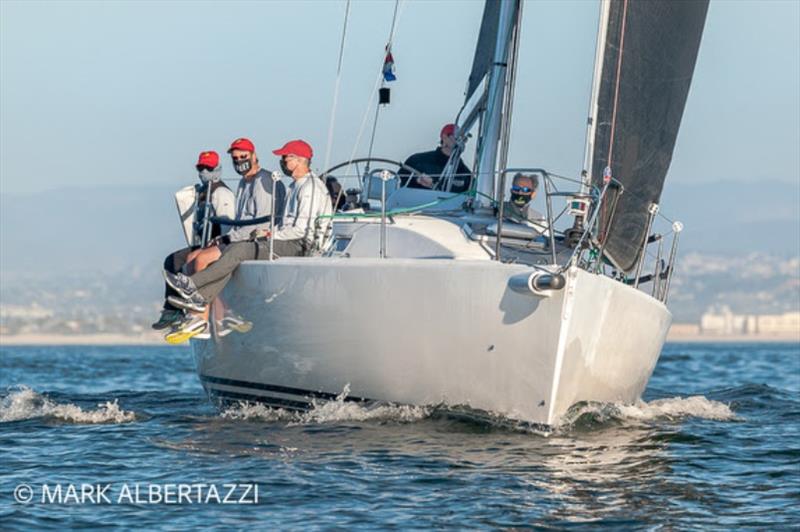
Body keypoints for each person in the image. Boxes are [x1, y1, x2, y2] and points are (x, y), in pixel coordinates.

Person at [163, 139, 331, 342]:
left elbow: (300, 230)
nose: (282, 161)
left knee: (237, 251)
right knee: (225, 253)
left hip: (299, 245)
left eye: (286, 157)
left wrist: (269, 234)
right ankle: (203, 306)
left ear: (300, 160)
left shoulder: (309, 188)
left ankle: (193, 289)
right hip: (285, 238)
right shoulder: (296, 185)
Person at [154, 138, 286, 333]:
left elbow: (261, 222)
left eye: (243, 156)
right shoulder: (243, 183)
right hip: (239, 237)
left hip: (254, 239)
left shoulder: (262, 182)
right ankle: (213, 315)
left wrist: (227, 238)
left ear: (254, 156)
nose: (240, 161)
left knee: (202, 259)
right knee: (189, 258)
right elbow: (240, 220)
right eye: (235, 158)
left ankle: (202, 319)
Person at [151, 150, 235, 330]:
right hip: (204, 243)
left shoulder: (222, 193)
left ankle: (185, 311)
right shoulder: (204, 192)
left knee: (185, 260)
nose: (204, 171)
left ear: (217, 169)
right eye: (201, 167)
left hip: (218, 244)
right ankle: (172, 310)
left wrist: (219, 244)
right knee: (172, 261)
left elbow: (228, 225)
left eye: (208, 167)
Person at [398, 123, 473, 193]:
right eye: (457, 137)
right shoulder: (417, 161)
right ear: (444, 137)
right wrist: (417, 179)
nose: (461, 142)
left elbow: (474, 194)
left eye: (464, 139)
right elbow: (398, 181)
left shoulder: (465, 173)